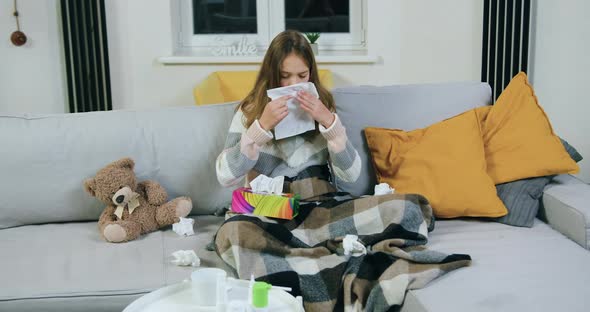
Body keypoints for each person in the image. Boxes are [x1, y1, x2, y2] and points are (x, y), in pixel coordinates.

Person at [215, 30, 360, 190]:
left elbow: (351, 175)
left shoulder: (323, 105)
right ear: (272, 74)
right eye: (284, 76)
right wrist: (261, 128)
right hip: (268, 205)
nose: (293, 83)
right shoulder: (250, 111)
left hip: (318, 202)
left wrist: (329, 123)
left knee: (387, 207)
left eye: (302, 75)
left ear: (310, 74)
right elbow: (225, 177)